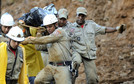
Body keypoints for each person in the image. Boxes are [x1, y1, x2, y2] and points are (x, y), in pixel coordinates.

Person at [71, 7, 126, 84]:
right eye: (79, 15)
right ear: (76, 15)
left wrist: (116, 29)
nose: (80, 17)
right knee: (75, 62)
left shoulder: (91, 25)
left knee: (92, 79)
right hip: (77, 52)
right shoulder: (71, 27)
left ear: (85, 17)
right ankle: (71, 78)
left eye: (82, 16)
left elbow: (105, 29)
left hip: (88, 54)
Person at [22, 14, 74, 84]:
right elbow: (38, 47)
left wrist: (29, 40)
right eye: (46, 27)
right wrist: (38, 34)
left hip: (62, 67)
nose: (48, 29)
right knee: (38, 80)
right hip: (51, 66)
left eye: (50, 26)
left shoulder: (60, 32)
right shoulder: (50, 37)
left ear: (56, 24)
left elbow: (46, 39)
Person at [18, 20, 44, 84]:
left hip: (39, 70)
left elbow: (34, 31)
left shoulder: (31, 34)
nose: (24, 30)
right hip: (31, 72)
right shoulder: (21, 43)